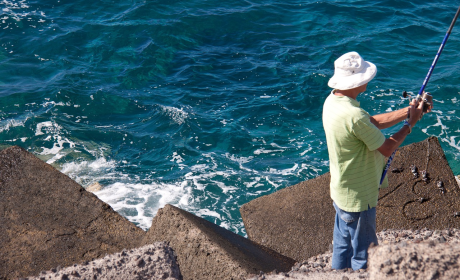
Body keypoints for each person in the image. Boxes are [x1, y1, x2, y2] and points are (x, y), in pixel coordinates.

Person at [322, 51, 430, 270]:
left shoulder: (334, 102)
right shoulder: (354, 115)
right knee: (365, 253)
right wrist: (410, 125)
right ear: (356, 82)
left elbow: (371, 123)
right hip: (359, 197)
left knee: (342, 245)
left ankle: (337, 274)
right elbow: (387, 148)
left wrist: (408, 112)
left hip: (342, 190)